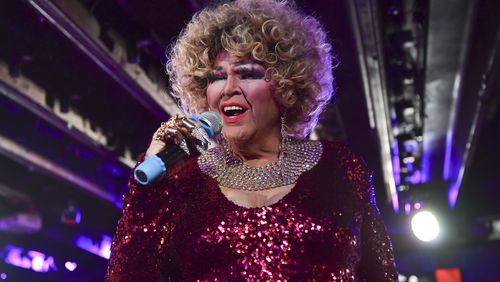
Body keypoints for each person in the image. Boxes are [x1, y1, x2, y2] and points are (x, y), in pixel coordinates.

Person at [106, 0, 398, 281]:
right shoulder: (183, 180)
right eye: (216, 78)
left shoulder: (340, 168)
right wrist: (146, 194)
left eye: (247, 74)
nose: (229, 89)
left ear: (286, 85)